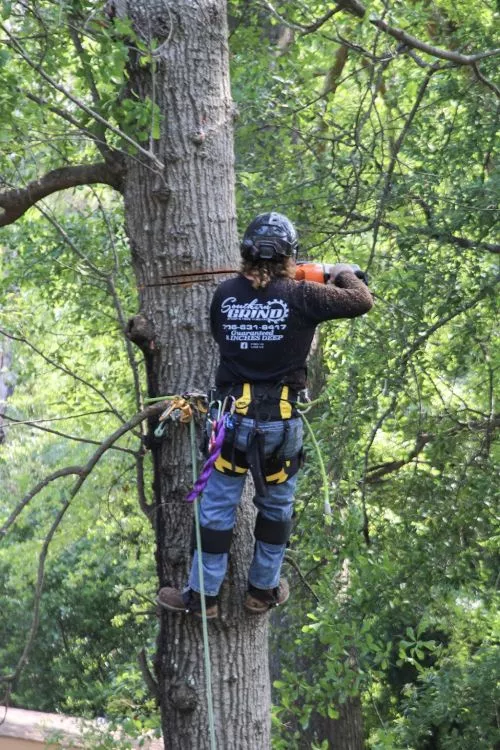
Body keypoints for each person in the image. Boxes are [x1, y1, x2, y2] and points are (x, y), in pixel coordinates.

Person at [157, 212, 373, 618]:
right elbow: (361, 300)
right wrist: (339, 271)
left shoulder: (224, 295)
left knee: (217, 509)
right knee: (276, 508)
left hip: (231, 421)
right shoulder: (304, 296)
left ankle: (203, 596)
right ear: (290, 256)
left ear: (246, 253)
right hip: (280, 423)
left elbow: (225, 336)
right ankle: (261, 591)